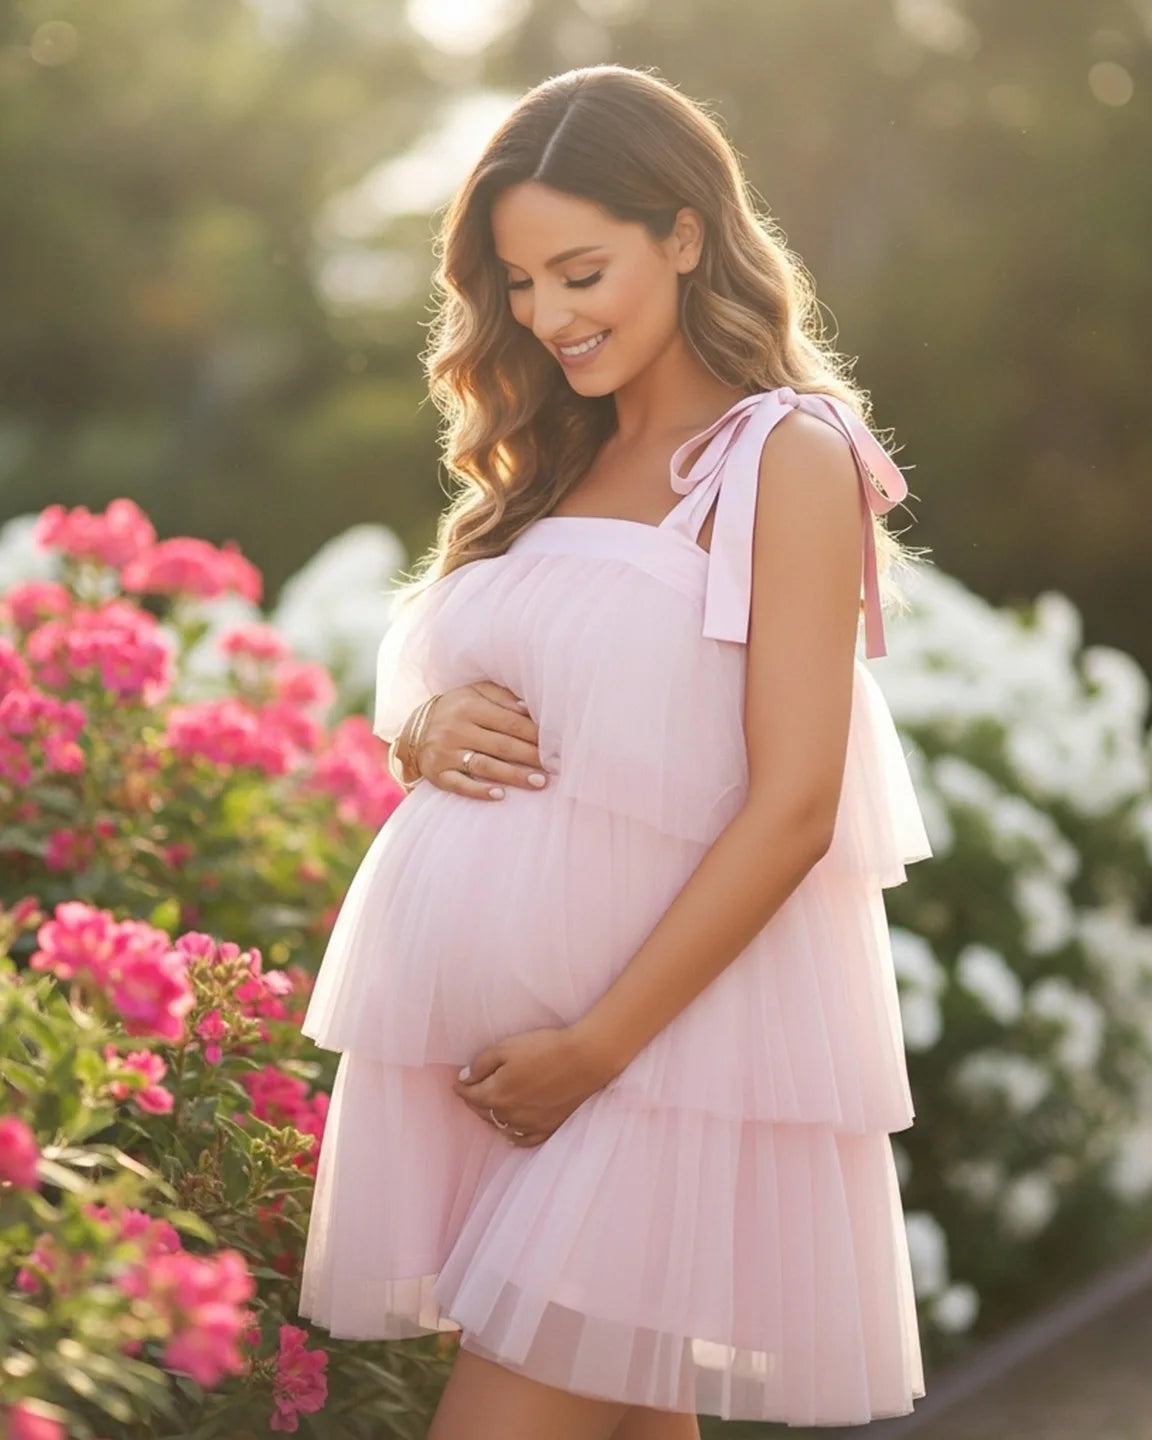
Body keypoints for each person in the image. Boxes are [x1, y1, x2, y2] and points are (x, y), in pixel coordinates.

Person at [297, 63, 934, 1439]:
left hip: (647, 1067)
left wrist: (593, 1052)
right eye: (521, 283)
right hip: (524, 1078)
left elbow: (798, 806)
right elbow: (492, 689)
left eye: (581, 273)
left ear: (685, 234)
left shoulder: (781, 457)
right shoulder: (550, 455)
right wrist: (423, 729)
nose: (547, 316)